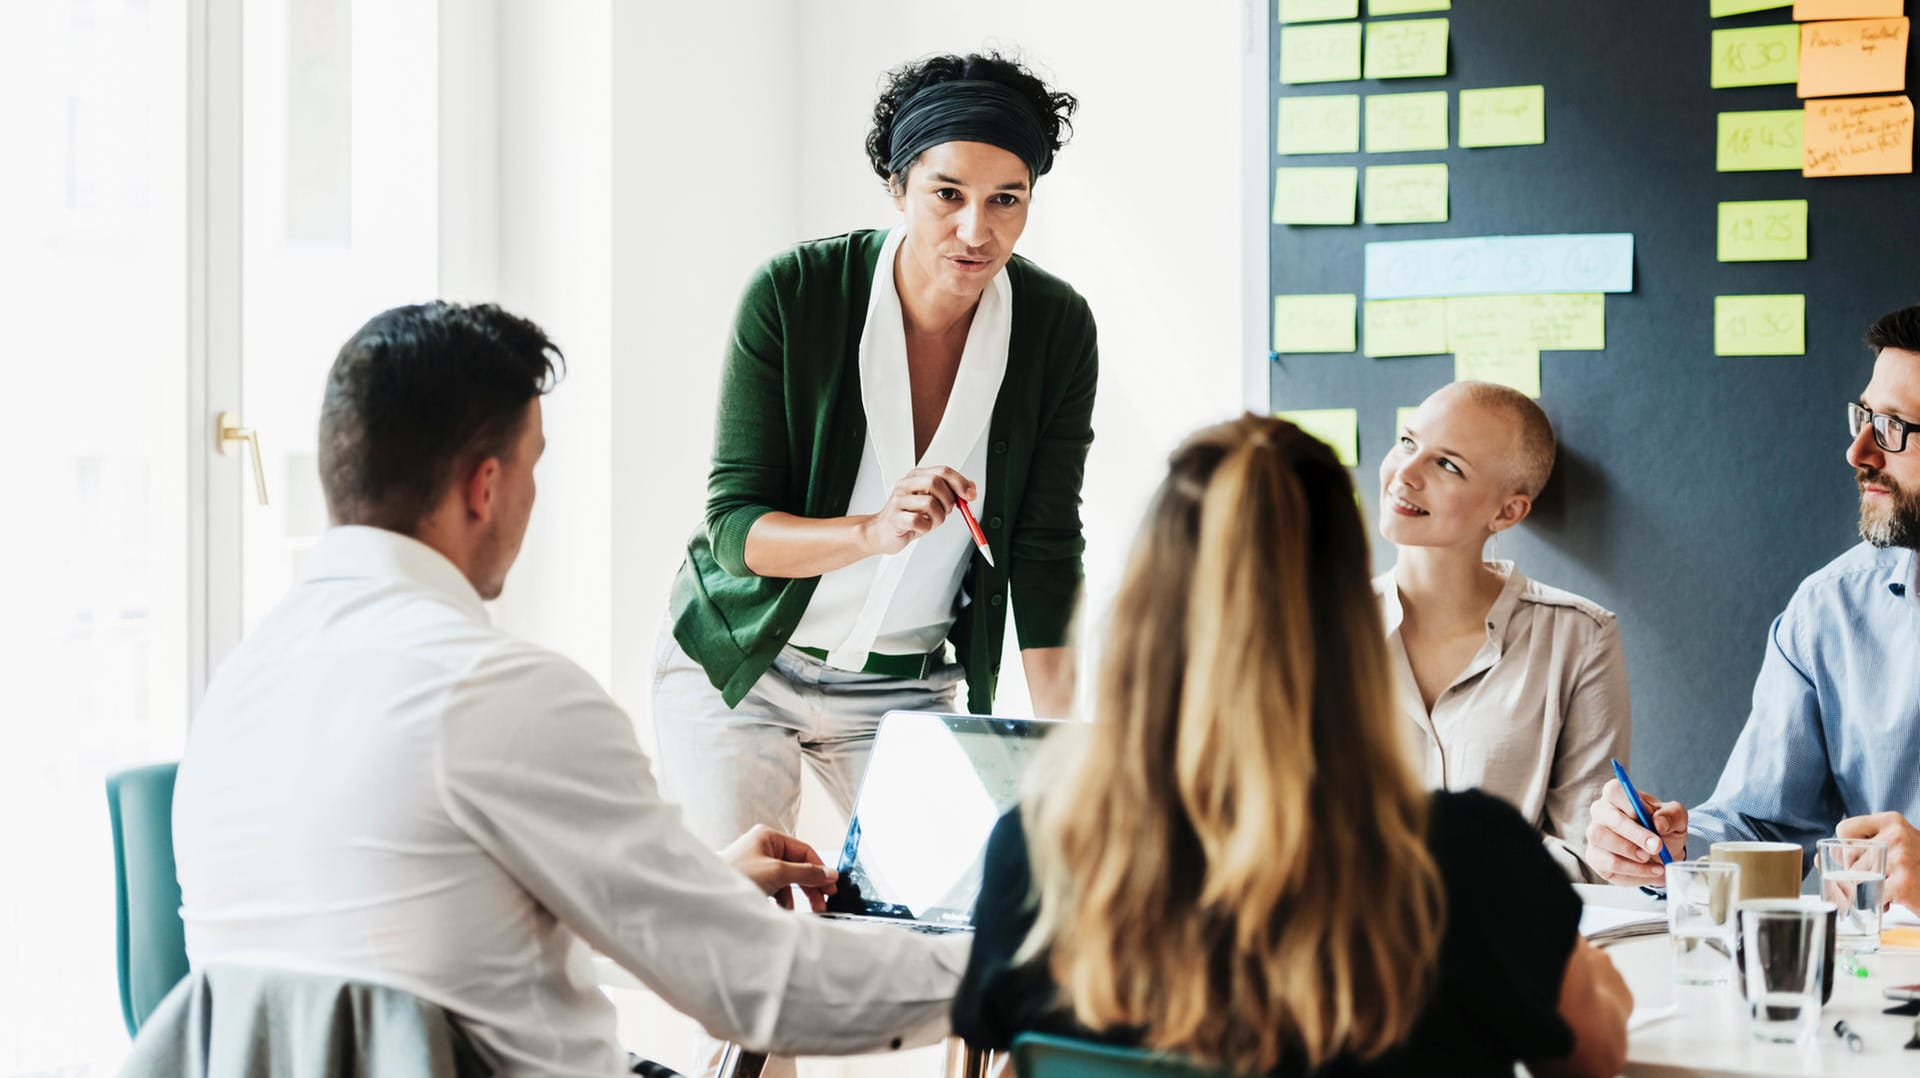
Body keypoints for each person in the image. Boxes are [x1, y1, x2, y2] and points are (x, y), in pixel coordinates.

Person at [172, 302, 969, 1078]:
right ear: (484, 487)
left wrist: (692, 889)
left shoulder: (236, 696)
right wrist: (1008, 970)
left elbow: (416, 946)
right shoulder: (500, 695)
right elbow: (764, 986)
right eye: (534, 465)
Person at [953, 414, 1632, 1078]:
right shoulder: (1465, 862)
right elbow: (1595, 1056)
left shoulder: (1038, 852)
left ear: (1139, 612)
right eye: (1408, 444)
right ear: (1349, 617)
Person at [654, 50, 1096, 878]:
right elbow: (734, 527)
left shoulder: (1055, 325)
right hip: (743, 670)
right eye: (948, 195)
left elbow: (1043, 547)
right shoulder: (794, 293)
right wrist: (872, 530)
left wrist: (1064, 750)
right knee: (744, 932)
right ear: (898, 188)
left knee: (954, 924)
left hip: (905, 690)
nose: (977, 229)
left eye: (1008, 199)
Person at [1586, 304, 1920, 908]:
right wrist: (1669, 853)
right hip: (1874, 986)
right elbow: (1764, 826)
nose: (1859, 452)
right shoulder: (1830, 612)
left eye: (1894, 426)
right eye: (1864, 417)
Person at [1376, 382, 1630, 877]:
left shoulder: (1580, 637)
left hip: (1510, 942)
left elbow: (1587, 853)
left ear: (1507, 512)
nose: (1404, 474)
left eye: (1447, 465)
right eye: (1407, 443)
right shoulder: (1314, 628)